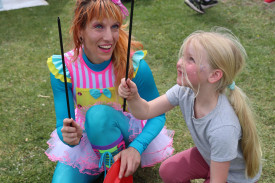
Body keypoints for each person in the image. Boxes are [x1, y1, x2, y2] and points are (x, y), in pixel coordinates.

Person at [45, 0, 174, 182]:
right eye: (98, 26)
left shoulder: (134, 65)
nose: (109, 37)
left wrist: (136, 147)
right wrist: (68, 135)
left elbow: (158, 115)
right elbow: (62, 125)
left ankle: (116, 170)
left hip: (129, 136)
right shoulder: (64, 69)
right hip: (87, 140)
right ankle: (102, 164)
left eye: (114, 26)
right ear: (80, 30)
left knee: (98, 114)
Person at [118, 27, 262, 183]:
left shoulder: (223, 127)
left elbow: (217, 180)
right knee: (169, 171)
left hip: (232, 177)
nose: (180, 63)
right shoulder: (184, 91)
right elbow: (146, 111)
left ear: (214, 75)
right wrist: (133, 97)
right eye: (183, 56)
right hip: (208, 157)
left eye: (191, 59)